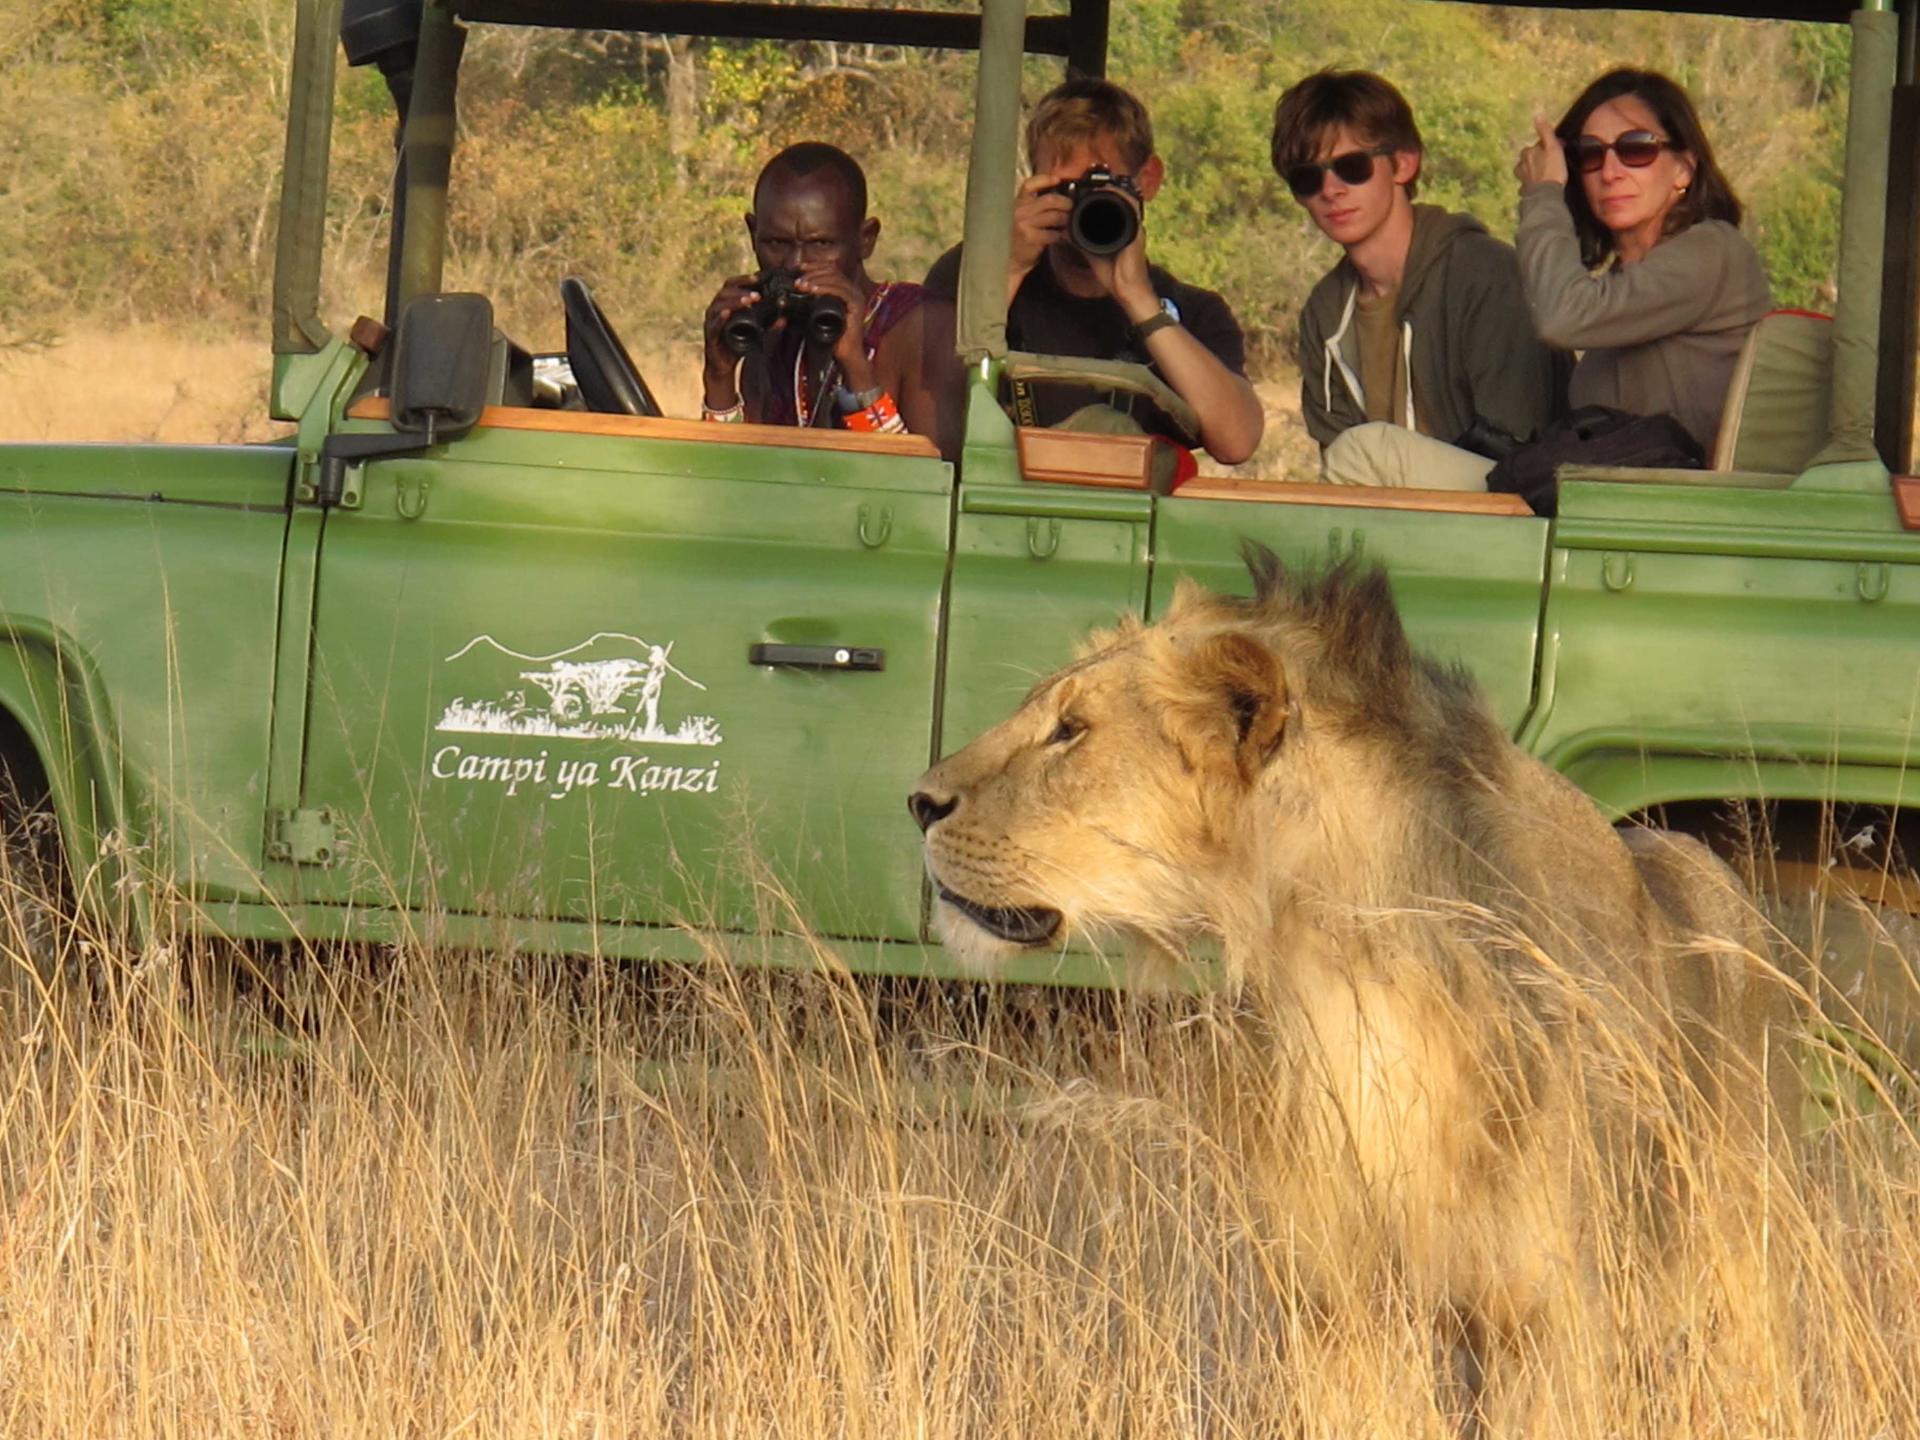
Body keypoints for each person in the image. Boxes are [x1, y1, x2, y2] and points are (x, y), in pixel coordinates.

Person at [923, 78, 1264, 467]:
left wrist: (1140, 302)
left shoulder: (1194, 312)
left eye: (1100, 186)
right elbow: (929, 407)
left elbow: (1237, 442)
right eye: (1067, 188)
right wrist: (1008, 269)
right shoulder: (970, 277)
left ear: (1147, 180)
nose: (1083, 204)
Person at [1270, 69, 1564, 490]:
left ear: (1404, 163)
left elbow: (1517, 447)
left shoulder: (1485, 274)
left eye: (1352, 167)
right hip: (1398, 514)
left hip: (1520, 499)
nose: (1330, 190)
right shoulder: (1326, 312)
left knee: (1366, 452)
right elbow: (1336, 460)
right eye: (1307, 178)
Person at [1515, 68, 1772, 455]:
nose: (1610, 172)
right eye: (1590, 154)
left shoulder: (1713, 252)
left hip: (1694, 492)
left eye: (1636, 148)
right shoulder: (1611, 297)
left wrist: (1543, 192)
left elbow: (1560, 316)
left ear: (1683, 169)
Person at [702, 143, 958, 452]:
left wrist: (855, 365)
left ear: (866, 239)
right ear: (752, 233)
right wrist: (719, 376)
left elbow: (932, 474)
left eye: (821, 244)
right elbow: (730, 469)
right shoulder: (770, 332)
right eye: (777, 243)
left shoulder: (925, 326)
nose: (796, 263)